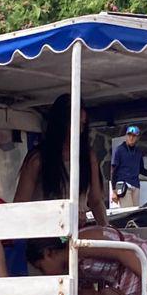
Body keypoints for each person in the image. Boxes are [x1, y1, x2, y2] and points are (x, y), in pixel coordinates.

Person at [15, 94, 110, 228]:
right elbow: (21, 203)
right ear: (60, 124)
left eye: (83, 125)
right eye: (75, 125)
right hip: (47, 234)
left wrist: (107, 230)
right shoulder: (38, 159)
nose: (80, 131)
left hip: (79, 231)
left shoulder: (88, 156)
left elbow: (95, 200)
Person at [109, 125, 147, 209]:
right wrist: (114, 190)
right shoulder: (119, 150)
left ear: (137, 138)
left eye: (134, 136)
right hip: (123, 185)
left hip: (135, 186)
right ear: (126, 136)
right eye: (129, 135)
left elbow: (141, 169)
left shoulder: (138, 152)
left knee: (135, 212)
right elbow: (113, 170)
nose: (131, 138)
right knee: (128, 212)